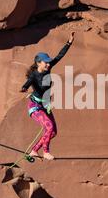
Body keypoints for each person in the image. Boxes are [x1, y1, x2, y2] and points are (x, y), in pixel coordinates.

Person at [20, 32, 75, 160]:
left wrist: (69, 42)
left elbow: (59, 56)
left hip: (45, 105)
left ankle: (34, 150)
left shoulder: (48, 69)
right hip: (35, 106)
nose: (49, 64)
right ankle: (46, 152)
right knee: (49, 127)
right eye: (46, 63)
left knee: (53, 132)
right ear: (39, 63)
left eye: (49, 63)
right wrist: (24, 88)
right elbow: (28, 83)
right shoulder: (34, 75)